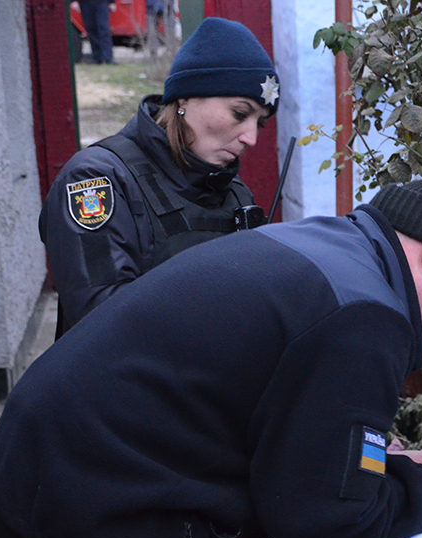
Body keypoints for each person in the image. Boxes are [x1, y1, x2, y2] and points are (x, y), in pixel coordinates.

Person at [0, 179, 422, 538]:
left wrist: (376, 464)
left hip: (41, 476)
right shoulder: (366, 313)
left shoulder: (328, 250)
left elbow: (287, 427)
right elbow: (322, 521)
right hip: (100, 524)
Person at [42, 17, 280, 338]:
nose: (251, 137)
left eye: (260, 124)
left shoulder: (234, 192)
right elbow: (100, 320)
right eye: (239, 113)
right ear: (186, 97)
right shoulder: (96, 180)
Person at [73, 0, 116, 65]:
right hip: (85, 3)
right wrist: (73, 1)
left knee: (104, 29)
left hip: (101, 2)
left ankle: (108, 58)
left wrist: (111, 2)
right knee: (91, 29)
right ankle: (97, 58)